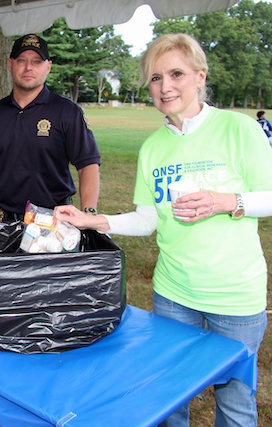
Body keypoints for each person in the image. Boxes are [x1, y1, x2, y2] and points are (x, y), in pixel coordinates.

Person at [54, 33, 272, 427]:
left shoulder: (239, 129)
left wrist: (226, 201)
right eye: (155, 78)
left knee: (236, 400)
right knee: (169, 396)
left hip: (235, 295)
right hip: (173, 293)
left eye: (176, 74)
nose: (165, 86)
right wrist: (94, 221)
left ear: (200, 76)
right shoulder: (153, 147)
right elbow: (147, 218)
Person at [0, 34, 101, 222]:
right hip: (0, 222)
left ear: (48, 67)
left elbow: (88, 165)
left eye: (36, 61)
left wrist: (88, 214)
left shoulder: (68, 112)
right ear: (10, 64)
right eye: (21, 60)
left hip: (53, 223)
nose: (28, 68)